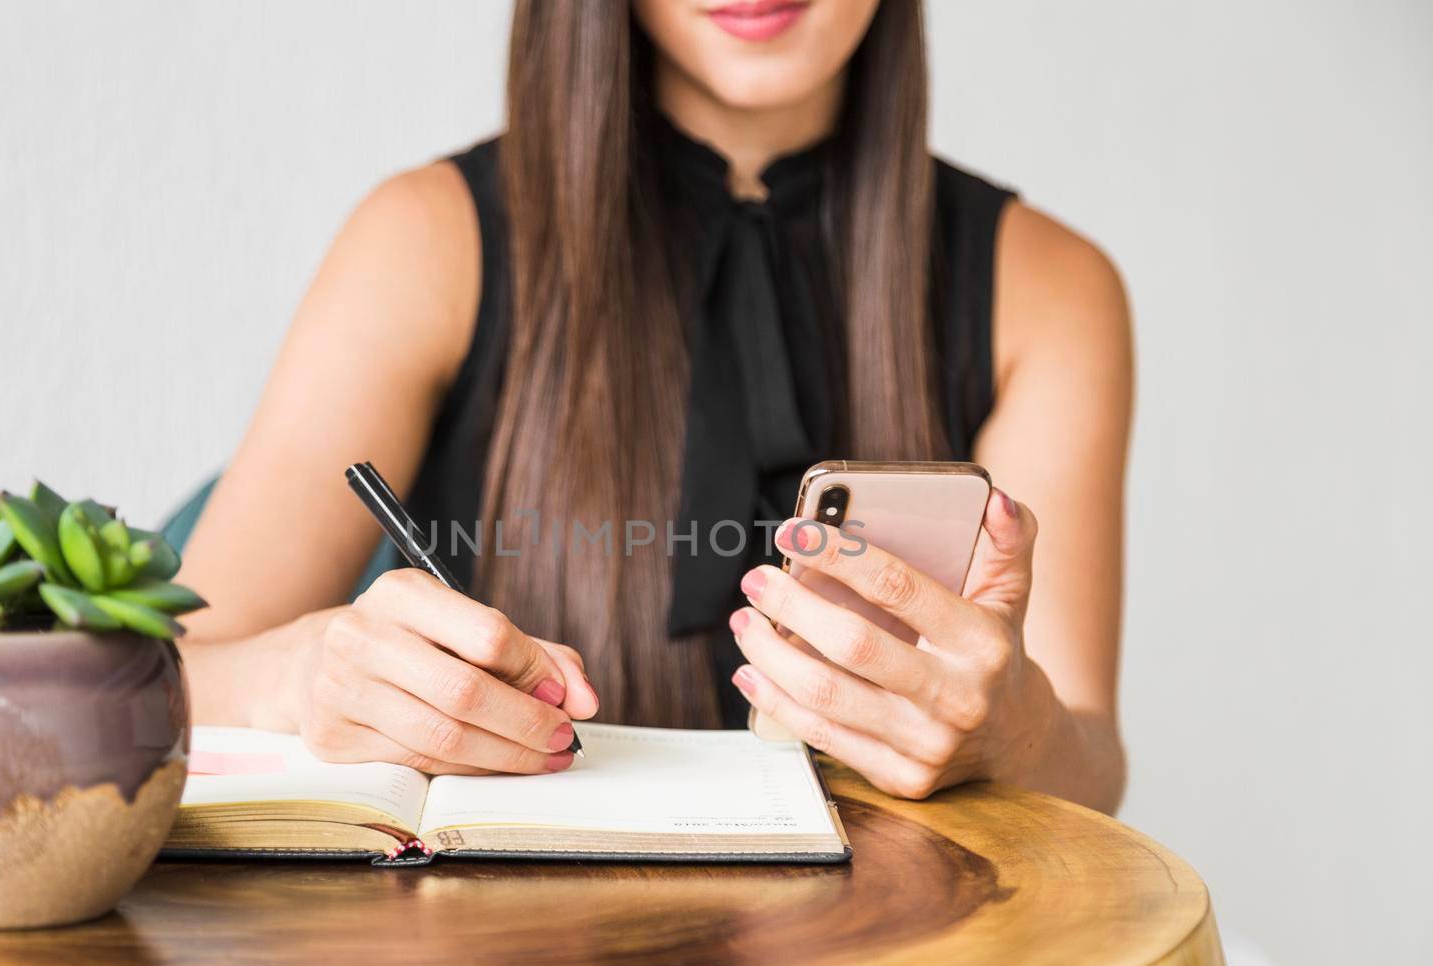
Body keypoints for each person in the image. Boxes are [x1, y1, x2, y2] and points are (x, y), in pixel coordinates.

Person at [177, 0, 1131, 814]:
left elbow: (1090, 767)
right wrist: (309, 672)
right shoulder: (424, 240)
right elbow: (170, 671)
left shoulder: (1051, 287)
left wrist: (1012, 729)